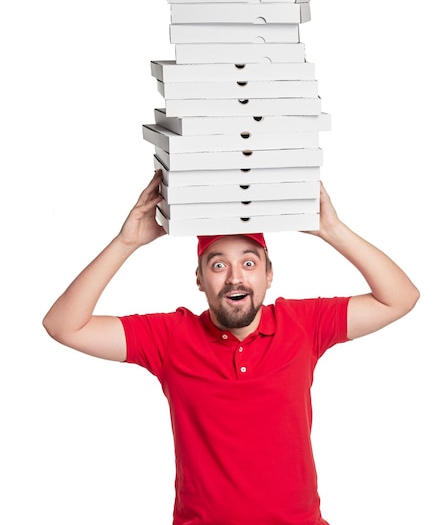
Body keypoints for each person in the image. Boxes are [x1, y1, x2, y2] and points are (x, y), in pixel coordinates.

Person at [43, 170, 420, 525]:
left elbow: (399, 298)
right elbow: (63, 326)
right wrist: (126, 243)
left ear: (269, 275)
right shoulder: (170, 336)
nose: (235, 276)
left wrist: (332, 230)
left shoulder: (303, 324)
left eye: (249, 262)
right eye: (218, 265)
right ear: (199, 279)